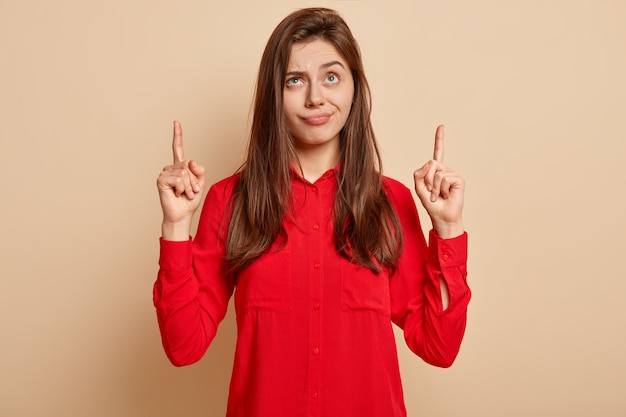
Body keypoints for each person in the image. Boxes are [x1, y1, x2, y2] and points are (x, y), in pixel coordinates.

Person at [154, 7, 471, 417]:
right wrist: (177, 226)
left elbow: (438, 345)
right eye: (294, 80)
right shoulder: (230, 200)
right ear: (275, 92)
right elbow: (183, 346)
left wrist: (447, 230)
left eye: (331, 77)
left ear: (355, 88)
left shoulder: (390, 203)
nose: (315, 97)